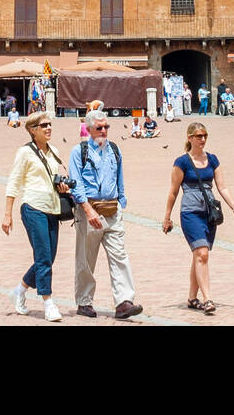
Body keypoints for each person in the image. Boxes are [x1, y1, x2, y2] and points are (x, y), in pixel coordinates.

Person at [68, 110, 143, 320]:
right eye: (99, 128)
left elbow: (119, 176)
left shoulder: (115, 150)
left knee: (120, 256)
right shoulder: (79, 151)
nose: (103, 131)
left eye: (106, 127)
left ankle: (124, 302)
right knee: (86, 259)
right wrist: (87, 209)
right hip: (89, 211)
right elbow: (76, 184)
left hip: (112, 210)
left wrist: (121, 201)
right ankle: (84, 302)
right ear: (90, 129)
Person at [161, 122, 234, 314]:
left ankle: (191, 298)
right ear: (190, 138)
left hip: (209, 214)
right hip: (190, 213)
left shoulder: (212, 160)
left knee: (199, 256)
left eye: (205, 135)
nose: (202, 139)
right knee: (202, 254)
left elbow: (222, 187)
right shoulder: (182, 162)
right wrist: (167, 217)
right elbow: (173, 192)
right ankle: (208, 299)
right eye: (198, 136)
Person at [3, 111, 67, 322]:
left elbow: (52, 182)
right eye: (43, 125)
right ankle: (48, 303)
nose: (49, 128)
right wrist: (7, 214)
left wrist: (63, 186)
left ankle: (19, 291)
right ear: (33, 130)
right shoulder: (25, 152)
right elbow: (14, 182)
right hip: (32, 207)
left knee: (48, 257)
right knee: (43, 257)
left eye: (50, 124)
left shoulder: (54, 151)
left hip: (53, 208)